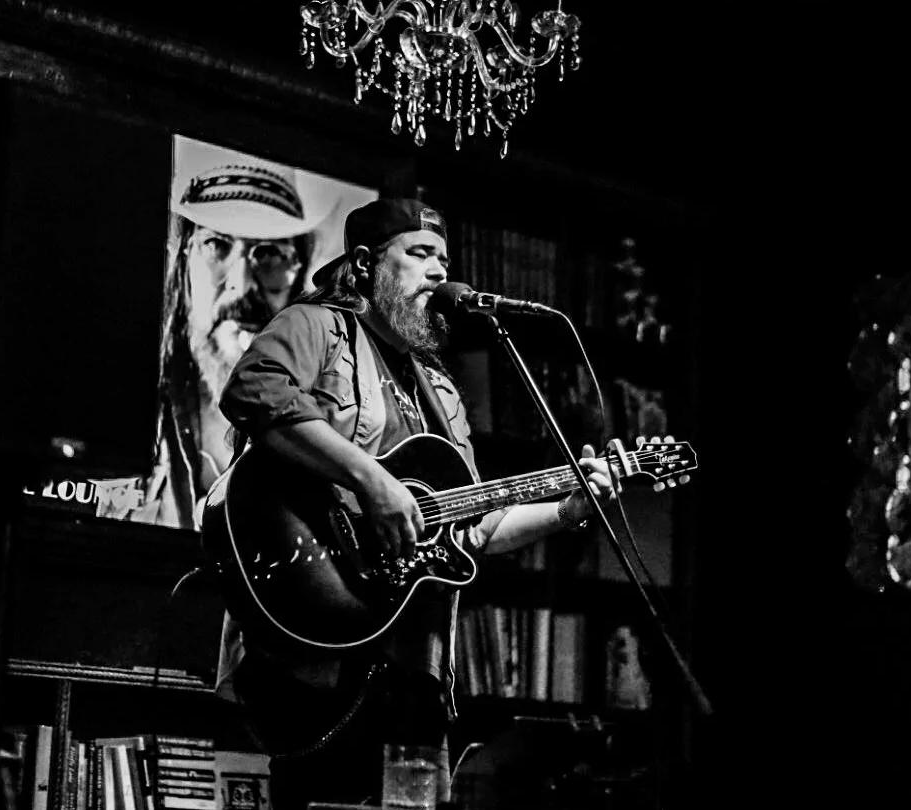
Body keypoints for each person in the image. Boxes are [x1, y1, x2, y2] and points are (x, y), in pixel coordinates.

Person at [212, 198, 621, 810]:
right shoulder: (318, 326)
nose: (438, 272)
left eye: (444, 259)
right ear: (365, 264)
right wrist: (373, 483)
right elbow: (253, 390)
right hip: (316, 629)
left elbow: (473, 525)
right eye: (420, 254)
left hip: (412, 663)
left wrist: (570, 508)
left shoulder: (441, 388)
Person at [112, 140, 340, 529]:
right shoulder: (124, 408)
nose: (242, 285)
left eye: (270, 254)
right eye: (216, 245)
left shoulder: (334, 425)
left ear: (299, 276)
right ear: (181, 265)